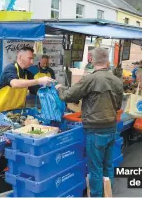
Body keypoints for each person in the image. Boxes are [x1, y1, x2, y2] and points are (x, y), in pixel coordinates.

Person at [55, 48, 123, 197]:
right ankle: (108, 193)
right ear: (108, 62)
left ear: (91, 60)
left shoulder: (90, 79)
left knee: (95, 168)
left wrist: (60, 88)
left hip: (95, 129)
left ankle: (98, 195)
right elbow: (118, 106)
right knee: (108, 165)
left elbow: (68, 95)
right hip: (112, 127)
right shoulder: (117, 81)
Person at [0, 47, 54, 113]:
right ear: (20, 57)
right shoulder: (10, 68)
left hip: (15, 114)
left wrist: (54, 89)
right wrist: (39, 80)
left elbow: (37, 90)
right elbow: (15, 83)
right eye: (30, 58)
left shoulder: (27, 74)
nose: (32, 62)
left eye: (32, 59)